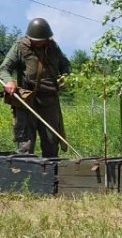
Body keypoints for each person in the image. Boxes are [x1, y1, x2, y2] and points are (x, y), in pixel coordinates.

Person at [1, 17, 71, 157]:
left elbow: (66, 66)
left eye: (43, 40)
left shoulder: (53, 47)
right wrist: (9, 81)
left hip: (49, 102)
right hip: (27, 101)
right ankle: (22, 176)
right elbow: (3, 69)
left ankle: (51, 176)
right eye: (37, 41)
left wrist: (66, 78)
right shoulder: (20, 47)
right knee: (25, 145)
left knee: (51, 144)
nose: (40, 43)